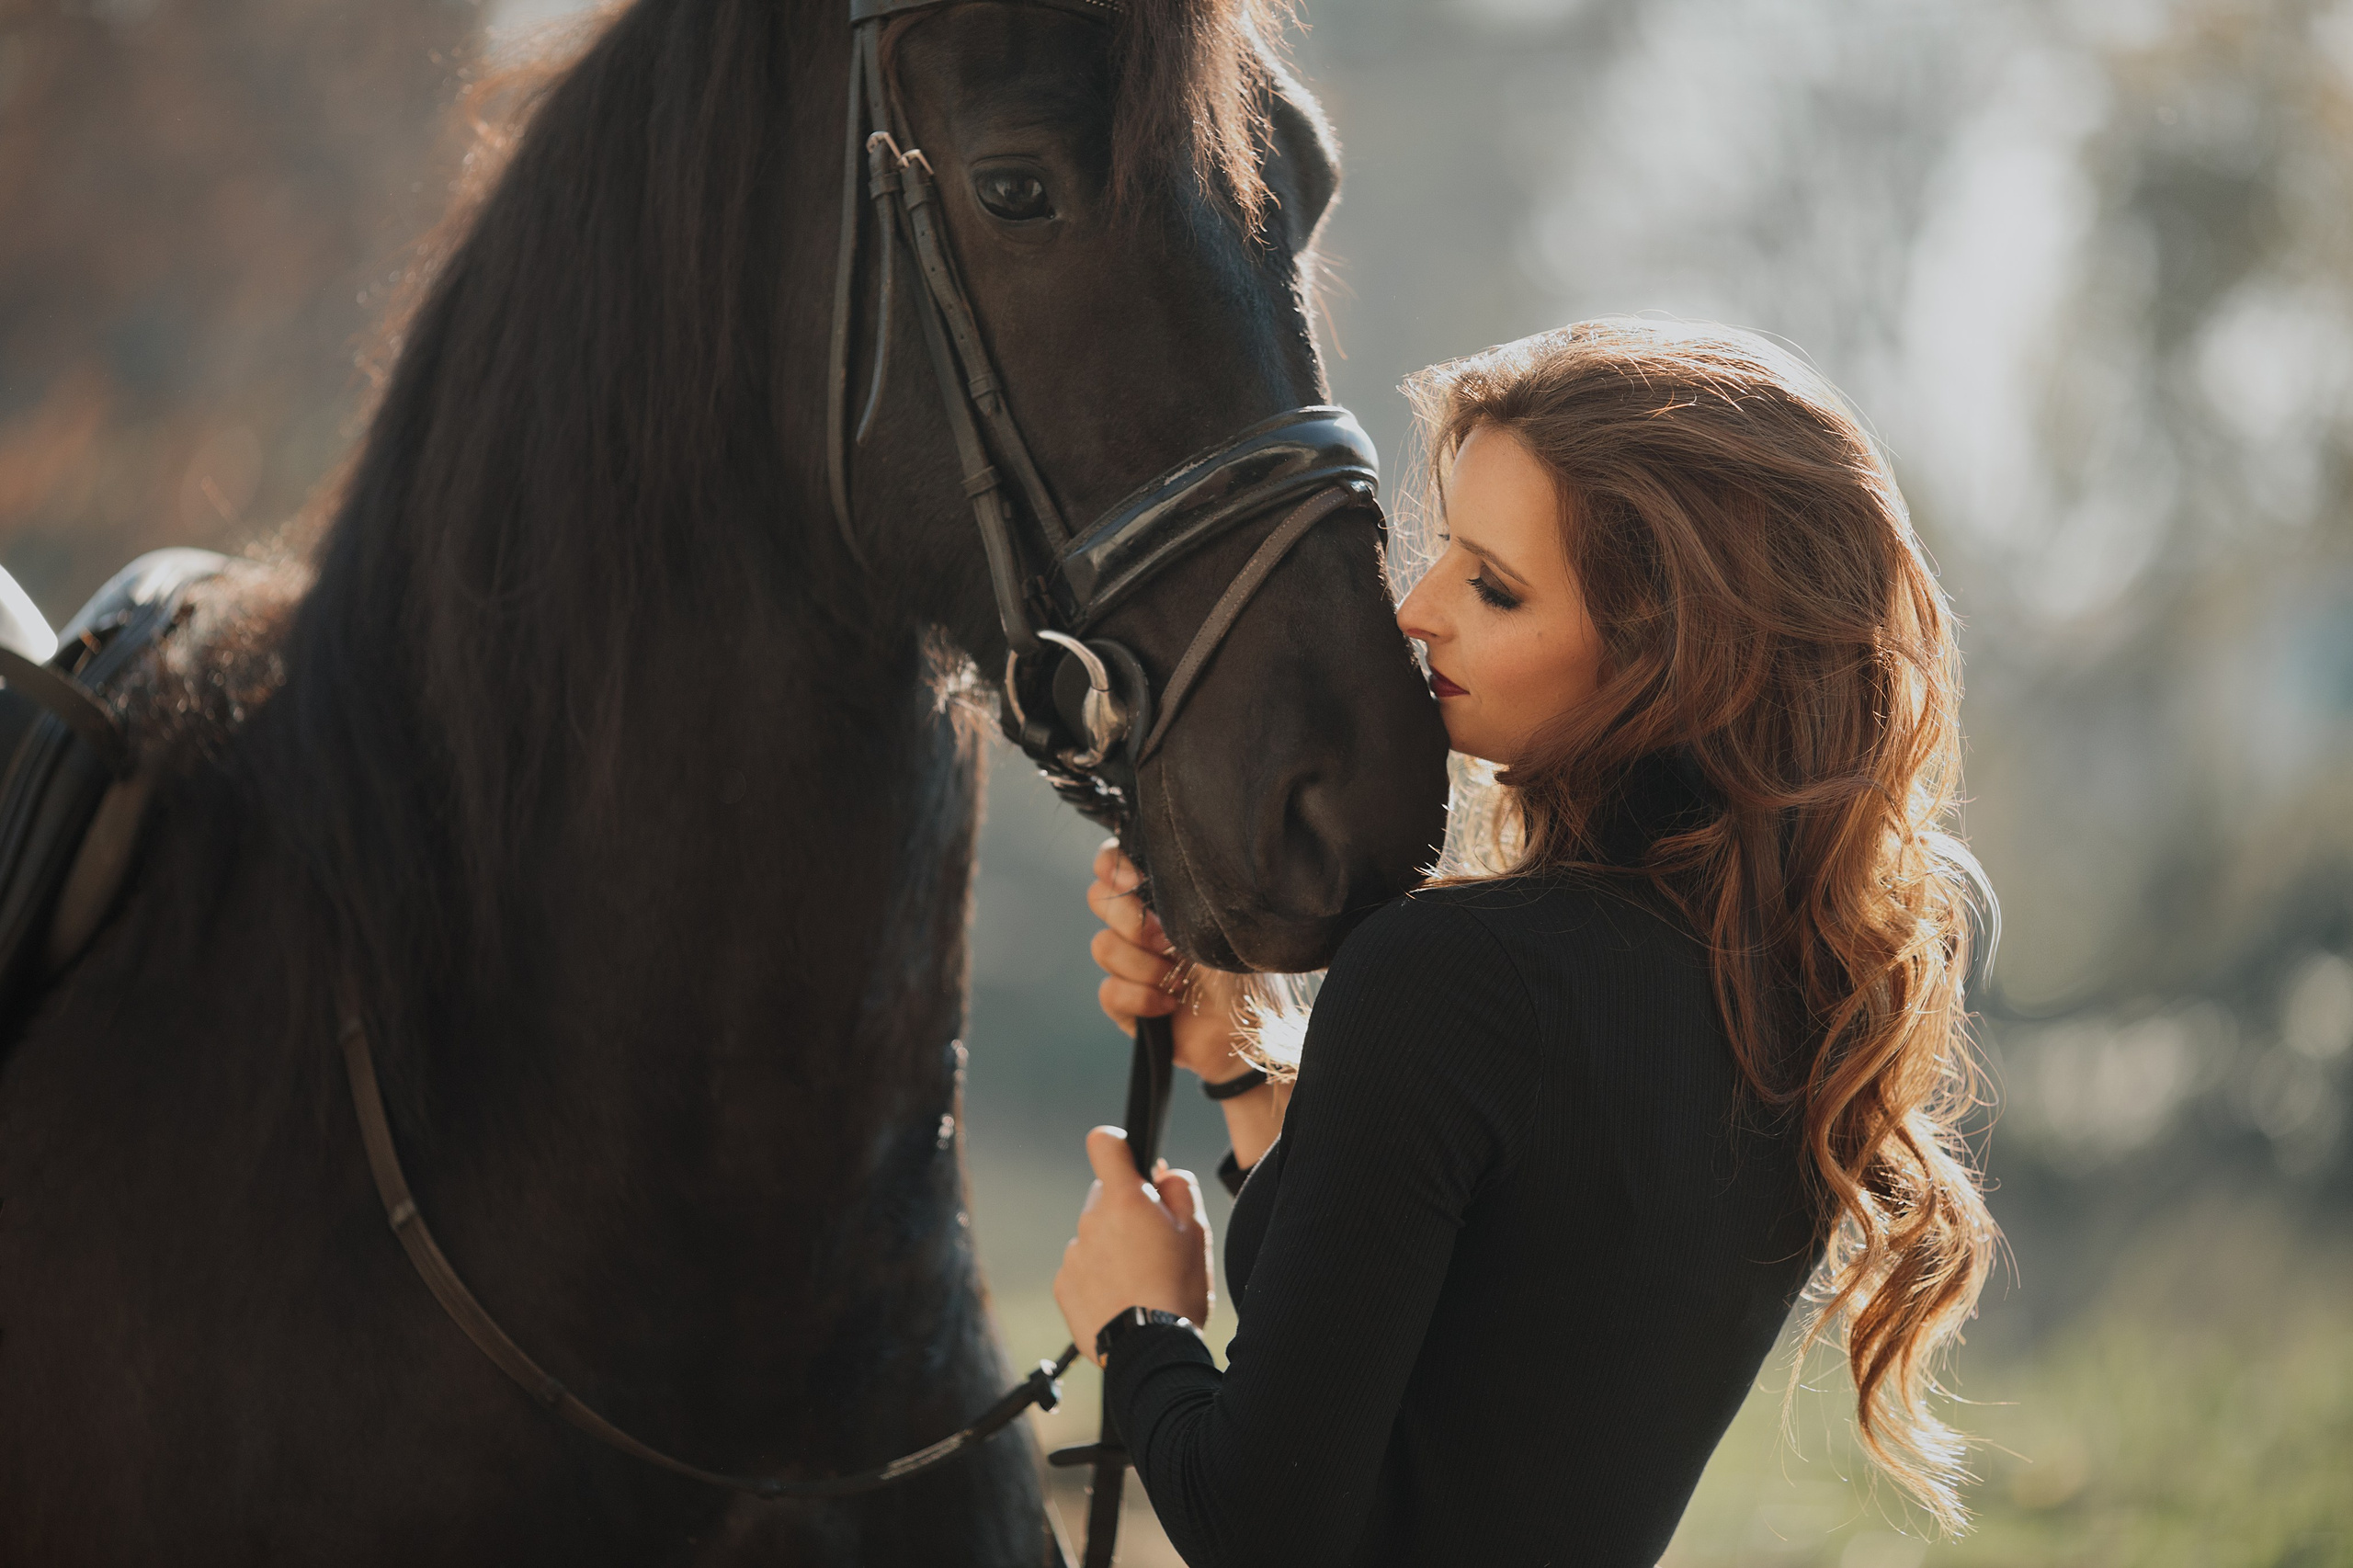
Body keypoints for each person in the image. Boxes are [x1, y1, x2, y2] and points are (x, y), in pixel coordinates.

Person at [1050, 318, 1999, 1567]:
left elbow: (1265, 1523)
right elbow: (1464, 1377)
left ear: (1673, 660)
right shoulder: (1788, 1008)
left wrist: (1139, 1320)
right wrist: (1233, 1055)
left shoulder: (1452, 973)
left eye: (1493, 585)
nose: (1416, 607)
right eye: (1442, 549)